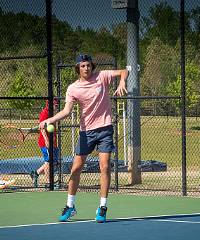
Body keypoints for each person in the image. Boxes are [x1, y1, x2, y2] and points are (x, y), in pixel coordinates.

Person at [39, 54, 128, 223]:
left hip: (105, 129)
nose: (86, 68)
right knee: (76, 169)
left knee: (105, 167)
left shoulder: (102, 76)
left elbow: (123, 71)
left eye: (88, 65)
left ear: (91, 66)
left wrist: (122, 81)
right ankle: (70, 206)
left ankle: (102, 208)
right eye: (82, 66)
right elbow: (66, 111)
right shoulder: (73, 88)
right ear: (78, 68)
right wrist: (49, 120)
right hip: (86, 132)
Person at [30, 99, 60, 189]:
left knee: (52, 161)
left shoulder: (53, 114)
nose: (56, 107)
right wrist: (46, 140)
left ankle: (36, 173)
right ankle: (48, 183)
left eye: (57, 105)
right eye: (55, 105)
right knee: (49, 161)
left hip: (53, 141)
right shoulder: (44, 113)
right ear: (50, 105)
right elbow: (42, 128)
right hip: (45, 142)